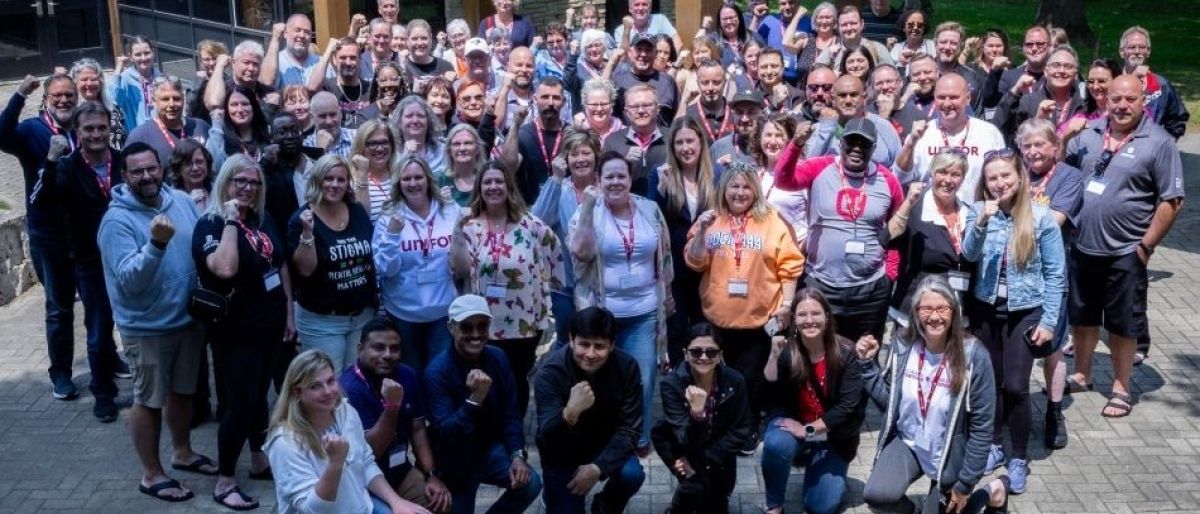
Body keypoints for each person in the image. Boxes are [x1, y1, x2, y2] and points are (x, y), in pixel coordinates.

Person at [1063, 75, 1184, 418]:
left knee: (1122, 324)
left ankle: (1120, 387)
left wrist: (1146, 246)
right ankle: (1082, 374)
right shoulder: (1090, 133)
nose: (1122, 105)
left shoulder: (1158, 142)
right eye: (1116, 98)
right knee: (1082, 317)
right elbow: (1060, 169)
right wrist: (1065, 137)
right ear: (1106, 99)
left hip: (1125, 251)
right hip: (1083, 246)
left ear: (1143, 101)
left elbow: (1172, 201)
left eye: (1130, 99)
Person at [98, 141, 212, 502]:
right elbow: (130, 280)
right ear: (124, 175)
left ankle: (182, 452)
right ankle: (151, 474)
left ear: (161, 168)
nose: (146, 176)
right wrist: (156, 245)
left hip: (187, 319)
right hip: (146, 328)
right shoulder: (116, 221)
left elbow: (200, 247)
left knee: (183, 392)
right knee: (148, 400)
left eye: (151, 168)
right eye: (137, 171)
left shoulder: (179, 200)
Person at [192, 154, 294, 510]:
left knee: (260, 396)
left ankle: (260, 460)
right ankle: (225, 480)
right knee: (241, 404)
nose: (248, 188)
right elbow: (224, 268)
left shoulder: (263, 219)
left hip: (271, 325)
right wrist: (232, 222)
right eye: (241, 181)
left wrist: (289, 314)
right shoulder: (210, 224)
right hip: (236, 331)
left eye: (254, 182)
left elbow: (279, 264)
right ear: (226, 182)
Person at [962, 149, 1066, 494]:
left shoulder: (1041, 218)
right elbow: (968, 254)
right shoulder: (979, 210)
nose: (999, 183)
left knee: (1016, 387)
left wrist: (1049, 322)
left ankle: (1019, 457)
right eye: (992, 177)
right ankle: (993, 444)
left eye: (1005, 175)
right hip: (986, 309)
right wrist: (981, 222)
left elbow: (1056, 275)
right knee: (990, 384)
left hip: (1026, 311)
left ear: (1020, 176)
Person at [859, 275, 1008, 514]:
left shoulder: (974, 355)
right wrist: (867, 366)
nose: (935, 316)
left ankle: (993, 492)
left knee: (957, 504)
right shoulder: (902, 344)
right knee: (877, 495)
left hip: (949, 455)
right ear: (916, 312)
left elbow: (982, 428)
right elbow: (889, 403)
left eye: (942, 308)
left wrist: (966, 483)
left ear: (954, 312)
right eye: (926, 308)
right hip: (909, 442)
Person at [685, 161, 805, 454]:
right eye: (734, 186)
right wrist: (701, 231)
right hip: (717, 317)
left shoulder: (772, 220)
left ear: (755, 190)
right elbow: (695, 262)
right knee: (717, 376)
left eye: (746, 187)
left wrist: (787, 304)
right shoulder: (711, 219)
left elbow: (790, 266)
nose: (740, 193)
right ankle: (719, 425)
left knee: (752, 379)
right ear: (723, 189)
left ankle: (749, 426)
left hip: (758, 319)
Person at [568, 151, 674, 452]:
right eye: (609, 177)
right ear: (598, 180)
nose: (615, 182)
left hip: (644, 311)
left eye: (621, 176)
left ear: (630, 179)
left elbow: (665, 255)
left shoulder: (649, 209)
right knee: (600, 379)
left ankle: (638, 437)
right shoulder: (587, 210)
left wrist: (668, 293)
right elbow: (581, 253)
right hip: (602, 314)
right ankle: (602, 437)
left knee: (642, 379)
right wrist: (588, 208)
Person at [774, 117, 907, 342]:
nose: (857, 149)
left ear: (874, 148)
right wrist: (795, 144)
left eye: (864, 144)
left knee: (864, 354)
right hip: (821, 283)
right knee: (817, 352)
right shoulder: (820, 167)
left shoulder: (888, 180)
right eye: (851, 142)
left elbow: (898, 232)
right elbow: (782, 180)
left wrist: (890, 276)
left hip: (870, 290)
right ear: (841, 142)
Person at [449, 161, 565, 416]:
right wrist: (457, 232)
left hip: (523, 323)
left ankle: (515, 432)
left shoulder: (529, 224)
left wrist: (552, 289)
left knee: (516, 381)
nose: (493, 187)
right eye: (487, 182)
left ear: (508, 186)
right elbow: (460, 269)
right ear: (480, 188)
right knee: (487, 382)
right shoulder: (469, 226)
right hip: (483, 324)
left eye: (499, 181)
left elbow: (554, 250)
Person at [33, 103, 123, 422]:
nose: (96, 134)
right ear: (77, 132)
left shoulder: (124, 161)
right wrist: (51, 160)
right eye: (89, 128)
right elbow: (41, 201)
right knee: (98, 331)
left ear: (109, 128)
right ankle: (103, 393)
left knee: (139, 329)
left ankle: (151, 390)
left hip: (129, 259)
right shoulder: (67, 167)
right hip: (90, 262)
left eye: (101, 127)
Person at [265, 350, 432, 514]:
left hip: (362, 507)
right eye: (316, 386)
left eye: (331, 381)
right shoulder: (285, 442)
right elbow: (311, 509)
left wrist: (396, 502)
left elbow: (366, 462)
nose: (328, 391)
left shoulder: (345, 411)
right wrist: (335, 463)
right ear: (297, 392)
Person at [0, 74, 83, 401]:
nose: (64, 100)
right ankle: (61, 373)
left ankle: (106, 357)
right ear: (46, 99)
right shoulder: (32, 130)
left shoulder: (83, 127)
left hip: (84, 230)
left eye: (69, 95)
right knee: (59, 308)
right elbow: (1, 134)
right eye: (57, 95)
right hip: (48, 233)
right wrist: (20, 93)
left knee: (97, 301)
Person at [423, 295, 542, 514]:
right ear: (451, 328)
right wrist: (475, 399)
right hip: (453, 463)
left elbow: (511, 414)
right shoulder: (436, 372)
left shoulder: (498, 357)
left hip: (489, 450)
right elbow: (447, 434)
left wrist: (517, 454)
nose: (476, 334)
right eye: (467, 327)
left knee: (530, 483)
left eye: (482, 326)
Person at [760, 289, 866, 514]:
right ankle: (774, 505)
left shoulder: (846, 352)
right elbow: (768, 393)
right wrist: (773, 356)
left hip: (833, 435)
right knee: (776, 443)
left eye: (815, 313)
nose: (809, 320)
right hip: (797, 422)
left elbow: (848, 408)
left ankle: (824, 466)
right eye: (802, 314)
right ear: (794, 320)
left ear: (827, 317)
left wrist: (806, 430)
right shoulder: (788, 349)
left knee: (820, 506)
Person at [535, 307, 647, 513]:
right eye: (584, 344)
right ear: (571, 339)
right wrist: (569, 413)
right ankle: (552, 494)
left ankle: (604, 506)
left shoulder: (627, 367)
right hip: (562, 451)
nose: (590, 354)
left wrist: (598, 467)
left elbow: (630, 429)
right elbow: (546, 438)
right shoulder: (549, 373)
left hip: (604, 443)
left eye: (599, 346)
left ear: (612, 344)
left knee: (632, 474)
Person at [338, 319, 452, 511]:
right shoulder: (349, 389)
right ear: (360, 349)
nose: (387, 355)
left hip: (399, 470)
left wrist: (431, 475)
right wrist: (391, 407)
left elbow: (418, 430)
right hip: (365, 480)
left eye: (394, 348)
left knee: (440, 502)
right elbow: (371, 451)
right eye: (379, 348)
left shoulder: (407, 375)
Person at [287, 154, 378, 373]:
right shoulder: (302, 218)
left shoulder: (356, 211)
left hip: (362, 315)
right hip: (323, 321)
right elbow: (305, 270)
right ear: (317, 180)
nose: (335, 185)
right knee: (328, 383)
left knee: (357, 381)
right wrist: (307, 234)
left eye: (341, 179)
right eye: (329, 178)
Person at [374, 156, 462, 371]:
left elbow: (462, 258)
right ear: (398, 183)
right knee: (411, 375)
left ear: (428, 179)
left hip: (443, 312)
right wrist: (392, 234)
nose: (413, 183)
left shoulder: (450, 211)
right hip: (404, 313)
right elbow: (385, 270)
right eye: (406, 179)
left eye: (418, 177)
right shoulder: (388, 217)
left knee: (439, 374)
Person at [652, 322, 750, 514]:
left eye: (711, 352)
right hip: (684, 450)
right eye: (696, 352)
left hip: (720, 454)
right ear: (686, 354)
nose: (703, 357)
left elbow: (741, 430)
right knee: (694, 488)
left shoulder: (735, 381)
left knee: (716, 502)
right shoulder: (671, 384)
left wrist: (704, 461)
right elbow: (683, 438)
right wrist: (697, 415)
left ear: (720, 355)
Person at [889, 149, 975, 335]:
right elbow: (887, 239)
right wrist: (906, 205)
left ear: (963, 179)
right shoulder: (914, 209)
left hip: (957, 311)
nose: (948, 180)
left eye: (955, 174)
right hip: (916, 310)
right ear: (932, 173)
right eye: (942, 172)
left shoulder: (969, 213)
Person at [654, 117, 717, 364]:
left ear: (700, 142)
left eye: (690, 140)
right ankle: (680, 380)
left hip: (708, 267)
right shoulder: (661, 175)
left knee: (705, 330)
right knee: (677, 330)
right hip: (675, 271)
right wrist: (661, 191)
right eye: (679, 142)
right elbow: (653, 221)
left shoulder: (717, 174)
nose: (685, 148)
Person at [531, 129, 602, 346]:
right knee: (567, 341)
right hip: (565, 283)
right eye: (574, 154)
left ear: (596, 156)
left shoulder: (607, 186)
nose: (581, 159)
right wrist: (556, 178)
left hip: (602, 281)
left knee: (600, 338)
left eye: (586, 153)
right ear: (565, 159)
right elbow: (537, 223)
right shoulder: (559, 187)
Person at [895, 73, 1007, 202]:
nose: (947, 104)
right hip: (930, 211)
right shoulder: (922, 134)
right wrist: (911, 142)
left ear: (968, 98)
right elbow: (900, 177)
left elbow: (1001, 175)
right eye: (941, 97)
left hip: (976, 210)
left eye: (954, 97)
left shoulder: (989, 133)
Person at [992, 45, 1083, 146]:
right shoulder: (1027, 102)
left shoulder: (1084, 107)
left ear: (1076, 74)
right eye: (1056, 65)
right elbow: (998, 130)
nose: (1061, 70)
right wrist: (1036, 121)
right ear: (1046, 71)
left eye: (1068, 66)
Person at [805, 74, 902, 167]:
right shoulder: (821, 130)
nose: (848, 101)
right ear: (833, 100)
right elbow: (808, 168)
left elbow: (898, 168)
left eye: (854, 95)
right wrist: (826, 131)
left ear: (864, 98)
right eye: (842, 95)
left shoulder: (883, 127)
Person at [498, 77, 567, 204]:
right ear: (535, 99)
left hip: (564, 207)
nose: (550, 102)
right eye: (545, 97)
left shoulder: (571, 135)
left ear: (563, 101)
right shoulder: (522, 134)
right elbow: (506, 169)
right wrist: (515, 125)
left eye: (556, 98)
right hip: (528, 208)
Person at [1118, 26, 1188, 140]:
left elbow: (1177, 119)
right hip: (1116, 147)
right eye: (1131, 47)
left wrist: (1165, 142)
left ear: (1148, 52)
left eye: (1142, 47)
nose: (1137, 51)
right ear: (1122, 52)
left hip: (1150, 148)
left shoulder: (1162, 85)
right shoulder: (1111, 82)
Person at [125, 75, 211, 166]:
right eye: (165, 99)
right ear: (154, 101)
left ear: (183, 99)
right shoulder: (140, 137)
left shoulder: (201, 127)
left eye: (176, 98)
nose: (171, 104)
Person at [748, 114, 810, 242]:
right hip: (761, 246)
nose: (772, 141)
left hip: (795, 247)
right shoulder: (755, 174)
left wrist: (801, 247)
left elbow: (816, 219)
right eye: (768, 135)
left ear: (790, 140)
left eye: (779, 136)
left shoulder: (802, 171)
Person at [602, 84, 669, 196]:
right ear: (626, 112)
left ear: (658, 109)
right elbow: (603, 180)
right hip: (625, 204)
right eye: (634, 107)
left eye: (647, 105)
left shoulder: (672, 138)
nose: (641, 110)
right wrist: (624, 163)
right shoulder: (613, 142)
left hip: (667, 205)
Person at [612, 34, 679, 122]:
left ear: (655, 53)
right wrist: (611, 63)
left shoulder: (667, 82)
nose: (643, 54)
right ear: (629, 52)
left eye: (648, 50)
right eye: (639, 49)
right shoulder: (618, 80)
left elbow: (678, 116)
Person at [307, 38, 372, 128]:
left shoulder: (370, 88)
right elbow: (312, 88)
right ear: (334, 60)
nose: (348, 63)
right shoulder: (327, 87)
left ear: (360, 60)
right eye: (343, 58)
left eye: (353, 58)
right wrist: (328, 51)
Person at [69, 57, 128, 147]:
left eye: (93, 79)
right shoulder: (71, 112)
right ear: (75, 83)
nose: (89, 83)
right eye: (84, 79)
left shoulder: (113, 108)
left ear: (100, 81)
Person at [208, 88, 272, 169]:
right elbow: (214, 166)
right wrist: (217, 124)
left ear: (254, 107)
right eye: (234, 105)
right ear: (226, 109)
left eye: (245, 104)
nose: (240, 110)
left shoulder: (267, 134)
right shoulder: (220, 138)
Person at [109, 35, 163, 132]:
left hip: (159, 133)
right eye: (138, 54)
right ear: (131, 57)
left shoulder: (161, 79)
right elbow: (113, 100)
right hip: (135, 134)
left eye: (147, 53)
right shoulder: (125, 79)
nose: (143, 58)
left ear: (153, 52)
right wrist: (118, 71)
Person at [348, 119, 397, 221]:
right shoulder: (349, 180)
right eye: (372, 144)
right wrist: (362, 175)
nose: (380, 148)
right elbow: (361, 219)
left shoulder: (401, 174)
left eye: (384, 142)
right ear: (361, 147)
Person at [709, 89, 763, 177]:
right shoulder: (719, 148)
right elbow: (706, 182)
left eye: (751, 112)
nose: (744, 119)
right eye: (739, 112)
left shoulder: (769, 148)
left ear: (762, 114)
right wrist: (717, 171)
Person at [815, 6, 893, 68]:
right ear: (838, 27)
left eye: (853, 23)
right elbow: (816, 78)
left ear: (862, 24)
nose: (849, 28)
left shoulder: (878, 50)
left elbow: (891, 76)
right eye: (844, 25)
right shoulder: (828, 54)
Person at [261, 15, 322, 89]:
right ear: (286, 33)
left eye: (307, 32)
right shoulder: (276, 61)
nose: (302, 35)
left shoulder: (320, 62)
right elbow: (266, 82)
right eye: (297, 30)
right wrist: (275, 38)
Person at [392, 96, 447, 174]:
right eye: (409, 116)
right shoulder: (391, 153)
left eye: (420, 116)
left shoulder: (443, 152)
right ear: (399, 121)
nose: (415, 121)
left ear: (428, 121)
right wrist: (404, 157)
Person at [441, 124, 487, 207]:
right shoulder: (438, 179)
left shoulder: (488, 179)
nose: (462, 148)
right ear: (449, 150)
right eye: (456, 144)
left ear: (477, 149)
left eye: (468, 143)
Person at [794, 2, 838, 89]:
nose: (824, 21)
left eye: (828, 17)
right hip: (802, 91)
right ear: (815, 20)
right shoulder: (807, 39)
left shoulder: (840, 43)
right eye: (820, 17)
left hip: (829, 93)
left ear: (835, 21)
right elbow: (786, 43)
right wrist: (797, 17)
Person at [303, 91, 358, 158]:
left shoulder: (356, 137)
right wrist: (320, 151)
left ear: (340, 114)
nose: (329, 122)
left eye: (333, 114)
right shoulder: (306, 146)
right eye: (322, 116)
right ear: (312, 117)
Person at [613, 0, 683, 53]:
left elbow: (678, 44)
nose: (641, 8)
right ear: (630, 9)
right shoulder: (620, 30)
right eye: (636, 5)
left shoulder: (660, 20)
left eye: (644, 4)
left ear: (650, 8)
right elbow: (622, 58)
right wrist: (626, 30)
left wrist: (669, 62)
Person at [167, 139, 215, 210]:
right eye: (188, 163)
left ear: (207, 163)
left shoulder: (218, 190)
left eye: (199, 162)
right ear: (178, 168)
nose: (195, 168)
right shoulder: (170, 199)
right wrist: (188, 203)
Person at [576, 78, 625, 145]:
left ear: (612, 105)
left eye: (604, 104)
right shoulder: (577, 134)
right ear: (585, 106)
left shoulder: (625, 133)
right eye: (594, 104)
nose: (599, 109)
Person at [360, 18, 401, 84]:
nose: (381, 41)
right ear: (369, 37)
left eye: (386, 36)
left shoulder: (400, 60)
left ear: (391, 37)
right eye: (377, 36)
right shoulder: (360, 61)